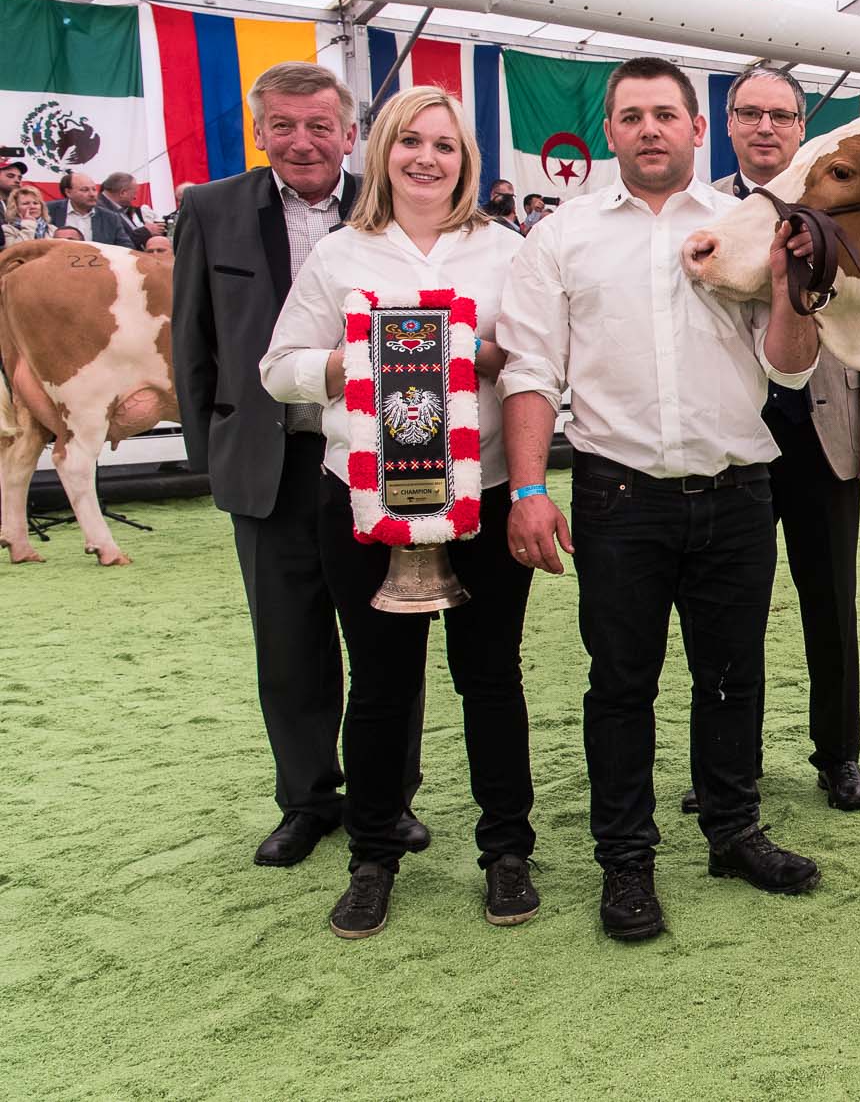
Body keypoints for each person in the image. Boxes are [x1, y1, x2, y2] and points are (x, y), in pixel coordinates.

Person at [497, 57, 824, 943]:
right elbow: (529, 369)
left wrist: (794, 282)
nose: (649, 129)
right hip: (617, 496)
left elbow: (788, 365)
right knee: (620, 685)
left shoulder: (743, 226)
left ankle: (732, 831)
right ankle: (627, 862)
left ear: (694, 128)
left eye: (665, 114)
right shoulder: (561, 236)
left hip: (738, 490)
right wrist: (528, 487)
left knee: (732, 676)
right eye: (632, 115)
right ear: (610, 131)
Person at [259, 86, 538, 939]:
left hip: (480, 492)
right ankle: (373, 854)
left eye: (445, 145)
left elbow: (533, 359)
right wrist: (344, 363)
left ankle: (507, 850)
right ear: (381, 150)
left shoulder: (505, 251)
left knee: (491, 677)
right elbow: (278, 367)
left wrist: (481, 356)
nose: (426, 157)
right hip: (363, 495)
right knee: (380, 685)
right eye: (410, 140)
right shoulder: (341, 252)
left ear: (467, 160)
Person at [173, 61, 428, 869]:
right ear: (259, 132)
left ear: (350, 134)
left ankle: (388, 799)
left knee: (390, 637)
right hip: (271, 462)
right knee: (288, 646)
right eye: (283, 125)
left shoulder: (391, 202)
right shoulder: (208, 209)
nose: (302, 141)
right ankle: (308, 800)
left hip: (379, 459)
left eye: (320, 125)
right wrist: (209, 456)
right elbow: (193, 342)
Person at [707, 62, 860, 813]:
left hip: (825, 435)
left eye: (780, 116)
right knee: (733, 611)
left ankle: (839, 755)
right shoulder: (704, 215)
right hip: (730, 437)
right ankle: (733, 763)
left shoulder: (844, 205)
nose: (765, 127)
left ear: (800, 128)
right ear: (727, 125)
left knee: (831, 604)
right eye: (750, 113)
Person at [99, 172, 164, 243]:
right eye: (134, 193)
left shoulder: (119, 208)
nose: (135, 197)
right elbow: (113, 242)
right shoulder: (100, 210)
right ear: (123, 193)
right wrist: (145, 231)